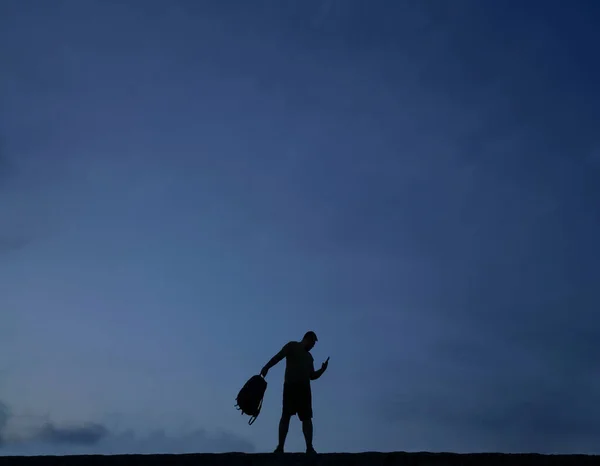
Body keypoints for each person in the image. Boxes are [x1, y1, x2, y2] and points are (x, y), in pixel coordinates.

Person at [260, 331, 329, 454]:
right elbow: (278, 357)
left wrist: (322, 370)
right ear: (308, 339)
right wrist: (266, 367)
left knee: (307, 418)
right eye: (313, 343)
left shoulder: (309, 357)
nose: (313, 346)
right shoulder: (292, 346)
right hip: (290, 388)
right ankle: (280, 447)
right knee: (285, 416)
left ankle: (309, 447)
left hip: (304, 389)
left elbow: (312, 376)